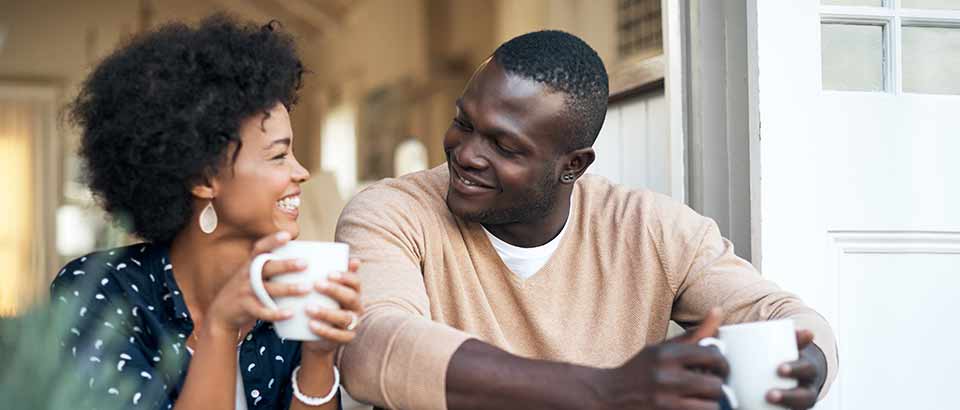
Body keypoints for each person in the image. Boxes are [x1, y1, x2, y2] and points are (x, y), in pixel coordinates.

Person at [335, 30, 837, 410]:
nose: (466, 154)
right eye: (464, 123)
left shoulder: (649, 228)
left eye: (504, 146)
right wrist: (605, 389)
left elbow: (787, 317)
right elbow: (373, 347)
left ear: (572, 165)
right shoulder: (390, 212)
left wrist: (806, 366)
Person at [50, 15, 362, 409]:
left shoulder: (286, 298)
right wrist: (219, 326)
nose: (301, 173)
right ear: (203, 178)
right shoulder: (99, 293)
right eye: (279, 155)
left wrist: (318, 355)